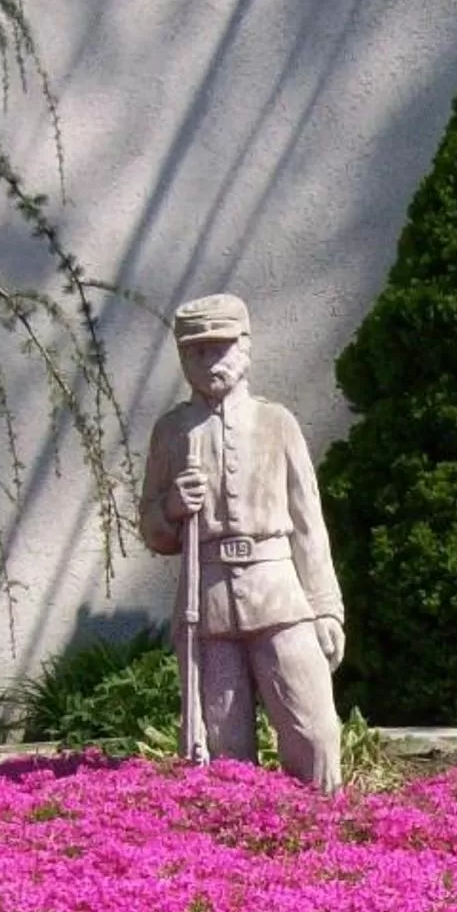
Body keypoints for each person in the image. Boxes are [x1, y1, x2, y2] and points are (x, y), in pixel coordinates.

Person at [138, 293, 348, 789]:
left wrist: (325, 608)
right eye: (197, 352)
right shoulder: (171, 433)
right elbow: (151, 528)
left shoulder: (277, 423)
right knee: (224, 750)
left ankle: (325, 843)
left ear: (246, 347)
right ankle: (240, 854)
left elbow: (308, 524)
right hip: (207, 606)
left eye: (222, 348)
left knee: (314, 733)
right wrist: (170, 508)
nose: (211, 361)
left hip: (279, 595)